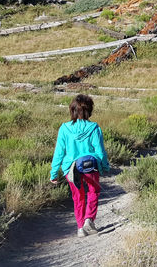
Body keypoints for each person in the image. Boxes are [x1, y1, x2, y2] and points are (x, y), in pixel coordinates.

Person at [50, 94, 110, 238]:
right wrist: (104, 166)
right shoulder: (94, 128)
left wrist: (53, 173)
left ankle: (80, 228)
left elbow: (59, 152)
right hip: (90, 166)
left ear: (73, 110)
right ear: (89, 110)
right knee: (93, 191)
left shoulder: (64, 128)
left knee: (78, 197)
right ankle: (89, 219)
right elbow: (100, 151)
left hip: (70, 168)